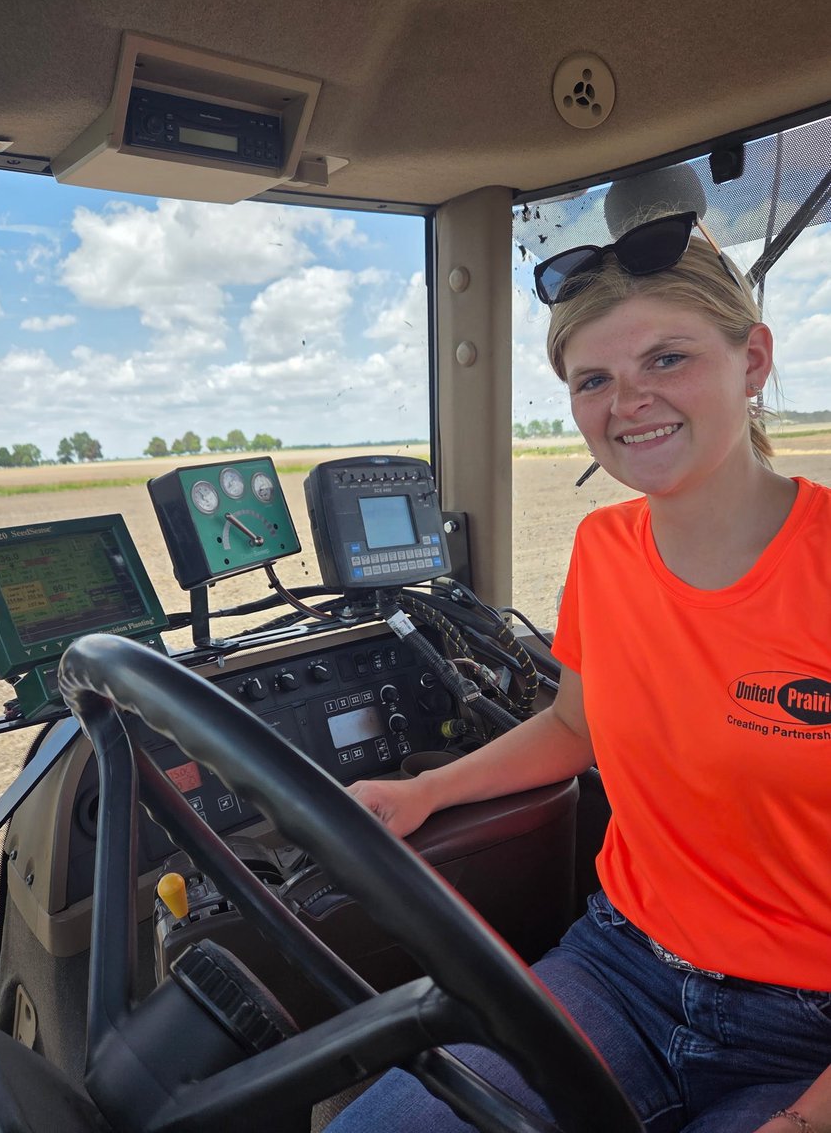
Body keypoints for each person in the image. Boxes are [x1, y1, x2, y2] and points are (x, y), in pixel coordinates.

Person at [324, 210, 831, 1133]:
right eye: (594, 379)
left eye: (666, 359)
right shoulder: (607, 547)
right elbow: (573, 728)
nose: (627, 400)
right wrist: (424, 793)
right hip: (621, 971)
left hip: (811, 1032)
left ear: (752, 362)